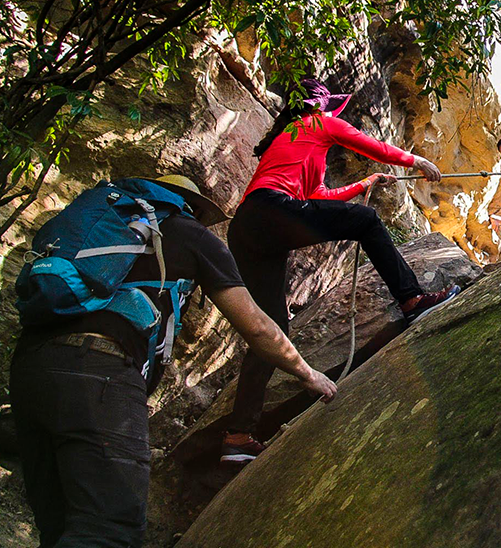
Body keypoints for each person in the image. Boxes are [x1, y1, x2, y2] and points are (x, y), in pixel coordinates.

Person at [10, 174, 336, 548]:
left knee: (60, 524)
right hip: (100, 370)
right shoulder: (189, 233)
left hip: (29, 369)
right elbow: (259, 327)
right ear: (190, 207)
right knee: (108, 529)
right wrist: (307, 373)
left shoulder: (103, 221)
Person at [223, 79, 459, 463]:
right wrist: (414, 161)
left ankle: (238, 435)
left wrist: (367, 182)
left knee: (272, 329)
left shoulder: (291, 135)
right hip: (271, 213)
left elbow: (318, 196)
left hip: (251, 225)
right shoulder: (317, 122)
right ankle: (412, 299)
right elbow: (366, 143)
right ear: (321, 107)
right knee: (364, 221)